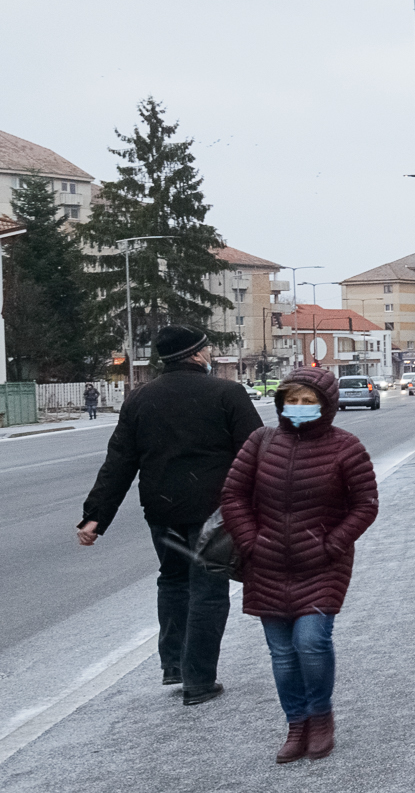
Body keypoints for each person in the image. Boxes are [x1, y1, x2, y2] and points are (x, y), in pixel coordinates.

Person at [77, 325, 263, 702]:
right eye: (207, 348)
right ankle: (197, 681)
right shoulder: (227, 392)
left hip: (162, 509)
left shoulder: (141, 398)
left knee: (174, 581)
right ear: (196, 354)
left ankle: (175, 665)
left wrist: (96, 515)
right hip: (216, 510)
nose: (210, 353)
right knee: (209, 590)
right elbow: (255, 453)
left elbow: (119, 462)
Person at [218, 363, 377, 762]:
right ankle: (296, 723)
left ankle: (321, 717)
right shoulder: (260, 441)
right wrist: (251, 542)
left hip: (322, 563)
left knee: (311, 641)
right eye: (293, 400)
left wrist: (331, 544)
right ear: (281, 402)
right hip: (266, 562)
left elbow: (365, 505)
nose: (300, 406)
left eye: (309, 401)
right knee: (282, 653)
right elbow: (233, 496)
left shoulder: (346, 447)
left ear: (327, 405)